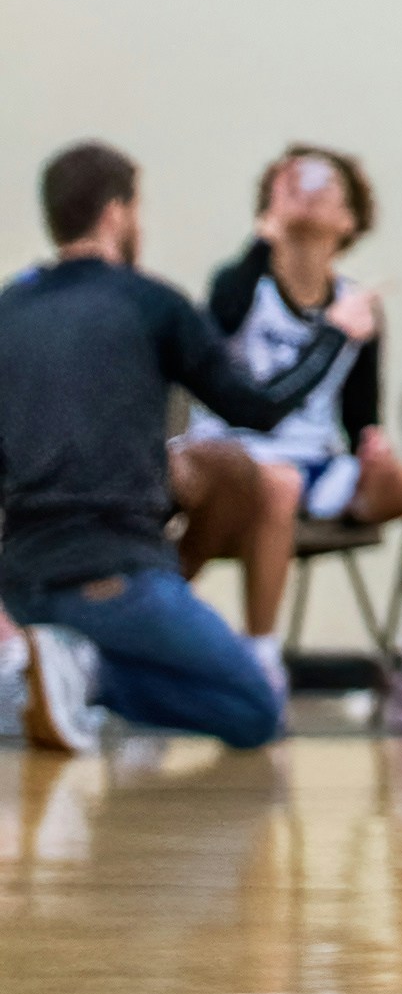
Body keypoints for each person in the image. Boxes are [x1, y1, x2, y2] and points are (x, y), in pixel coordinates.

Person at [0, 142, 378, 751]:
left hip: (19, 583)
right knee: (255, 712)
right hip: (114, 575)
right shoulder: (152, 304)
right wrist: (335, 337)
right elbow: (255, 409)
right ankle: (84, 673)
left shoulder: (7, 310)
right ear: (117, 214)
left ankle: (41, 668)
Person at [184, 148, 402, 733]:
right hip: (239, 458)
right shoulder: (242, 282)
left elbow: (359, 415)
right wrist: (263, 237)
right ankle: (262, 665)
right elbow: (217, 330)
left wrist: (372, 447)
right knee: (279, 485)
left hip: (316, 461)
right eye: (293, 180)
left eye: (327, 184)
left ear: (350, 220)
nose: (310, 189)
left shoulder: (356, 305)